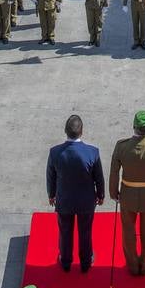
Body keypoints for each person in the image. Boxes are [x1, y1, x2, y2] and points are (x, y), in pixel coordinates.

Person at [109, 110, 145, 277]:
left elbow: (114, 172)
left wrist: (114, 192)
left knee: (128, 232)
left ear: (134, 126)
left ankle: (133, 266)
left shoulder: (121, 146)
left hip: (128, 195)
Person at [46, 115, 105, 274]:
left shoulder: (55, 152)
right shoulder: (92, 152)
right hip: (86, 201)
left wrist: (51, 194)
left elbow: (50, 176)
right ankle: (86, 262)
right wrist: (101, 195)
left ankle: (65, 261)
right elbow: (98, 177)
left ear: (65, 131)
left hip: (64, 200)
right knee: (85, 231)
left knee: (65, 232)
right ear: (82, 132)